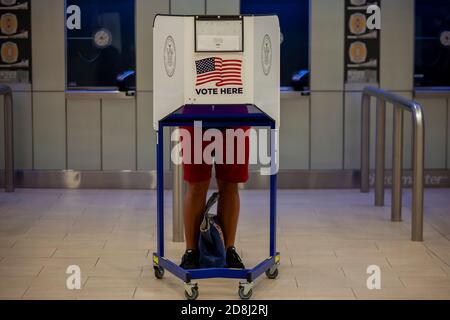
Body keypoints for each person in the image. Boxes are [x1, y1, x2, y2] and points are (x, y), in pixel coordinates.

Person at [179, 124, 250, 269]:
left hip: (234, 115)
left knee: (230, 185)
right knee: (196, 185)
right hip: (195, 115)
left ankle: (228, 249)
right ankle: (191, 251)